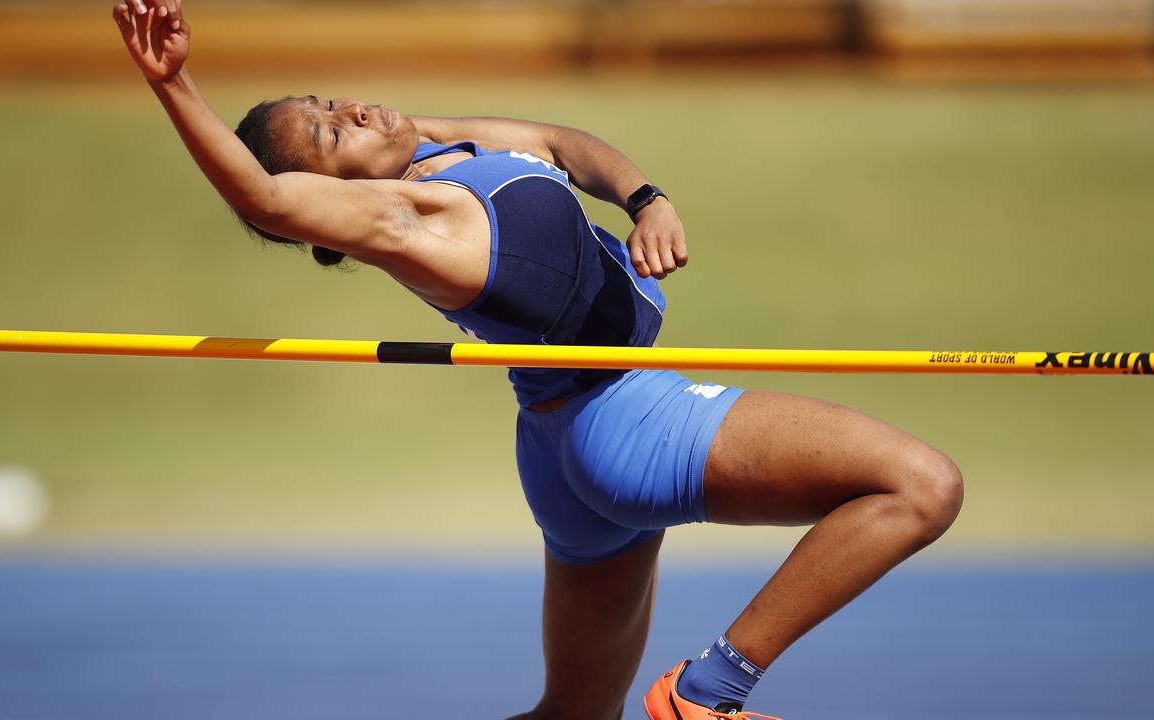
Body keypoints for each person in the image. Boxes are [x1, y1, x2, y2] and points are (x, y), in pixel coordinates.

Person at [113, 2, 964, 718]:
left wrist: (645, 198)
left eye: (333, 101)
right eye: (335, 135)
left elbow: (559, 142)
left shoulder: (438, 146)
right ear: (342, 193)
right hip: (626, 420)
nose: (359, 111)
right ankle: (709, 690)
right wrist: (172, 82)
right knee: (920, 487)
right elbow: (261, 197)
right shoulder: (403, 217)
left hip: (560, 448)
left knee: (572, 718)